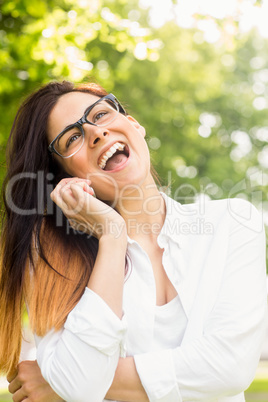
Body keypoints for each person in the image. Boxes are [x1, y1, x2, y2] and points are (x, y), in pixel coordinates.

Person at [0, 80, 267, 402]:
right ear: (64, 177)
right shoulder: (51, 254)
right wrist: (112, 236)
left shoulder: (233, 222)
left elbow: (230, 367)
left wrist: (60, 376)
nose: (95, 133)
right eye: (72, 137)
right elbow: (79, 385)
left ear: (134, 125)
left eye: (99, 115)